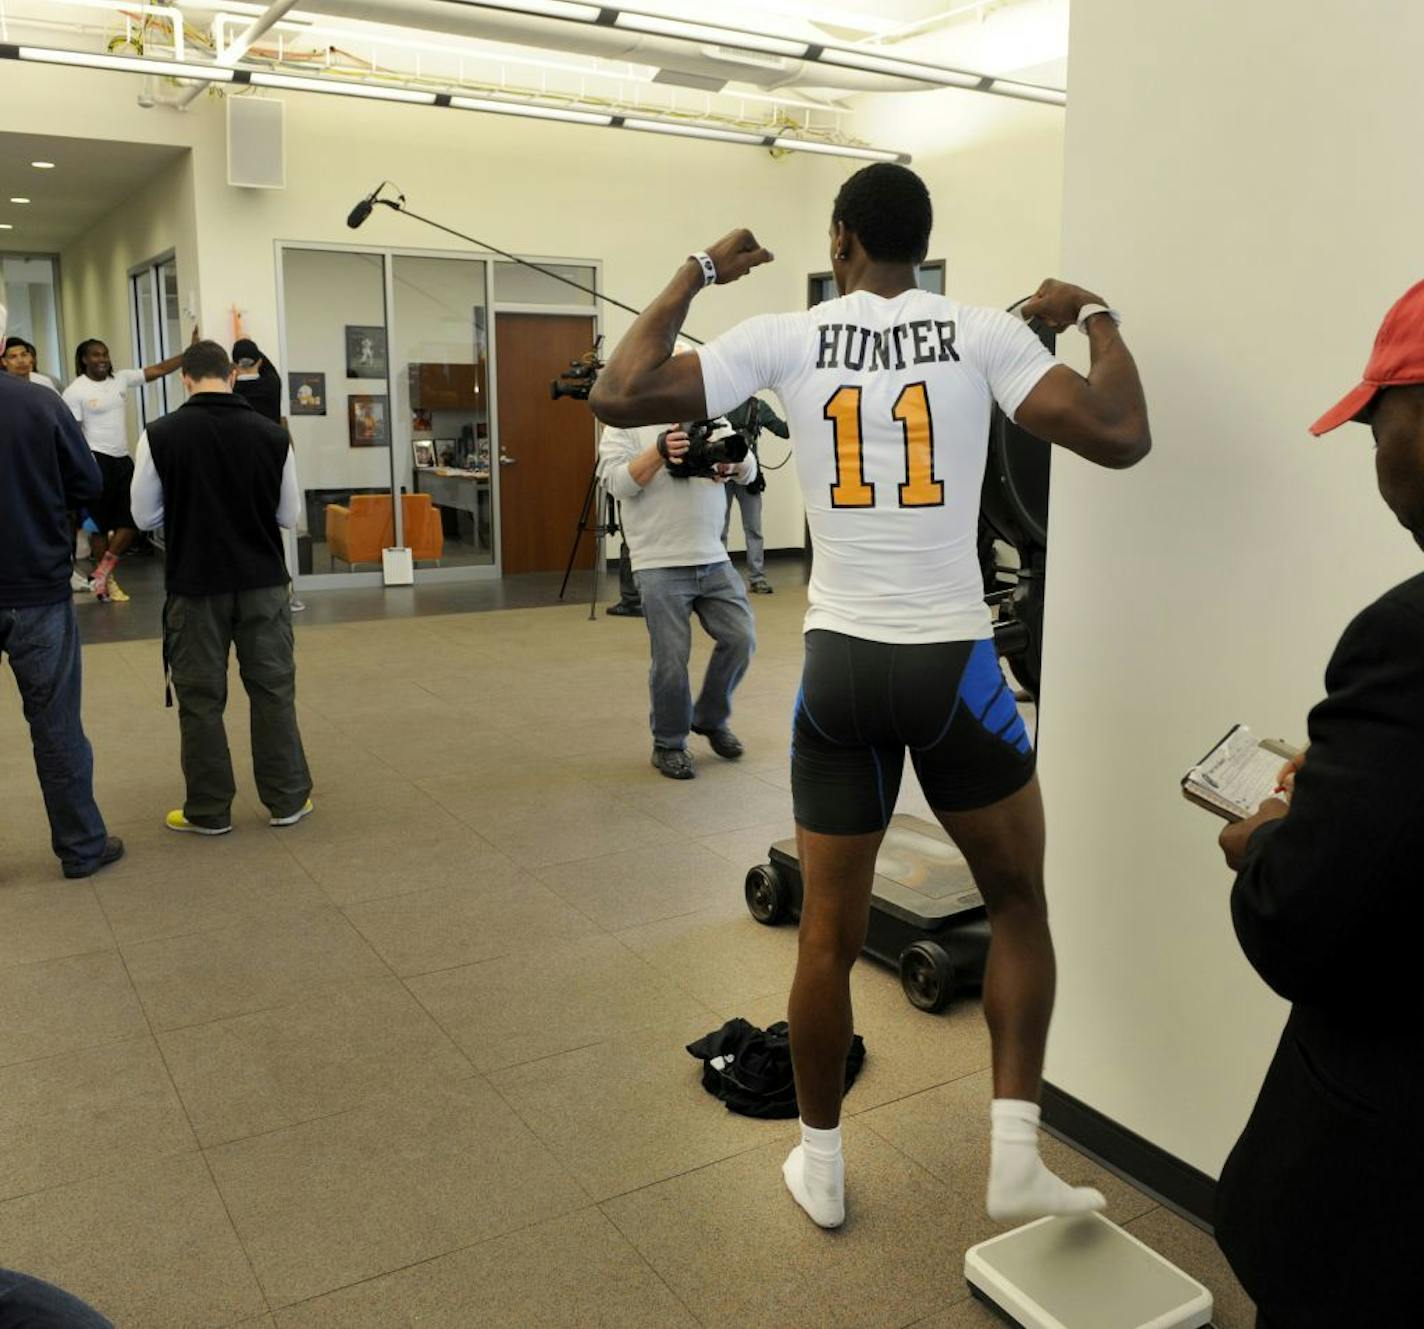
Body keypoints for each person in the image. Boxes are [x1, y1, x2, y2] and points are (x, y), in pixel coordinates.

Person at [590, 163, 1149, 1227]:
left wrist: (699, 269)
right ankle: (1015, 1157)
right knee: (1020, 902)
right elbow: (1120, 433)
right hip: (954, 671)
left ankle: (821, 1166)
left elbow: (620, 392)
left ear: (841, 241)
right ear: (920, 245)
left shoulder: (782, 336)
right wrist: (1095, 316)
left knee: (823, 939)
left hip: (840, 670)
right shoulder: (984, 332)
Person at [1213, 280, 1424, 1329]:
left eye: (1375, 422)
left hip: (1384, 1212)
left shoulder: (1406, 641)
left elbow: (1297, 924)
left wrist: (1269, 842)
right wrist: (1358, 790)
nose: (1372, 451)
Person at [130, 340, 313, 835]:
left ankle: (209, 810)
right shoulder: (272, 436)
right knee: (273, 690)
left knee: (201, 699)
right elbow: (288, 515)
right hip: (263, 583)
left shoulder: (159, 435)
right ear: (233, 376)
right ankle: (288, 799)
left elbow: (144, 515)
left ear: (185, 379)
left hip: (195, 585)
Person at [0, 299, 123, 879]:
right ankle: (81, 847)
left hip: (35, 585)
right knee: (56, 726)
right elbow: (88, 480)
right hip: (36, 588)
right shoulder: (39, 403)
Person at [598, 387, 759, 780]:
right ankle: (669, 743)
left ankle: (709, 717)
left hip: (713, 556)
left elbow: (749, 466)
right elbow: (615, 482)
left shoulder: (711, 417)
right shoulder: (626, 420)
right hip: (659, 561)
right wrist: (658, 449)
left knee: (741, 638)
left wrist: (730, 467)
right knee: (671, 660)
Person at [62, 331, 194, 602]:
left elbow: (158, 370)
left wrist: (190, 352)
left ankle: (101, 571)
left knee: (132, 520)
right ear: (84, 359)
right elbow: (72, 435)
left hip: (122, 460)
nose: (103, 359)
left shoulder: (120, 379)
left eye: (105, 353)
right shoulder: (75, 391)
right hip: (94, 460)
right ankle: (106, 582)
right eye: (96, 354)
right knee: (98, 526)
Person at [232, 336, 304, 612]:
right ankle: (283, 591)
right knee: (272, 526)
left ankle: (244, 590)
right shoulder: (272, 384)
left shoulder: (232, 387)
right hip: (271, 461)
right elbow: (269, 367)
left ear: (233, 366)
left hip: (238, 463)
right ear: (259, 361)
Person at [721, 395, 789, 593]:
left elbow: (784, 431)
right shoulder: (751, 406)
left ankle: (755, 577)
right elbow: (784, 431)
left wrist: (798, 409)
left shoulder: (756, 406)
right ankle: (725, 580)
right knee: (722, 530)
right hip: (723, 475)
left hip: (746, 476)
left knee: (749, 529)